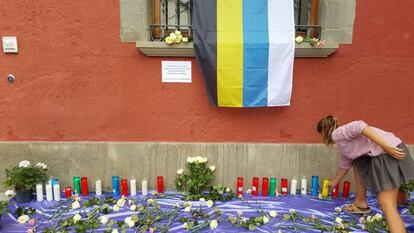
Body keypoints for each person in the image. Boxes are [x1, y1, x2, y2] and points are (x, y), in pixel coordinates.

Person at [317, 115, 414, 233]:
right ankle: (361, 202)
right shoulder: (344, 144)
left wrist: (386, 147)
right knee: (358, 160)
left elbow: (360, 126)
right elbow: (345, 164)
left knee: (386, 205)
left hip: (388, 153)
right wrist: (334, 182)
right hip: (393, 148)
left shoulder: (337, 134)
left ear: (323, 132)